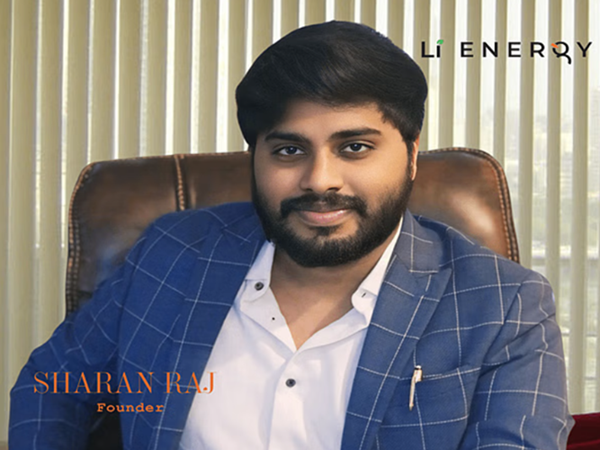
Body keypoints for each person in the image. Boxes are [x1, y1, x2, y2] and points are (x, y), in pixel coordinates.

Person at [10, 21, 572, 449]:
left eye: (355, 147)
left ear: (411, 155)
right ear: (255, 158)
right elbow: (51, 386)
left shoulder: (506, 305)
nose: (320, 180)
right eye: (288, 150)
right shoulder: (174, 252)